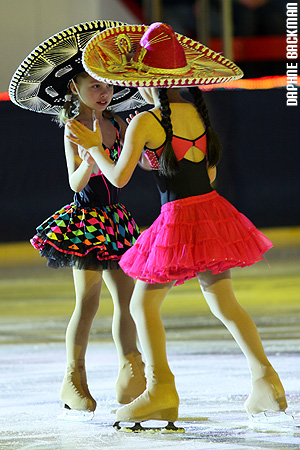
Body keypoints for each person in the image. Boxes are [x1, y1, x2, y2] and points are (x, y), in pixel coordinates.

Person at [67, 22, 287, 425]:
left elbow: (117, 178)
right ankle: (267, 381)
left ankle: (161, 390)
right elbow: (209, 174)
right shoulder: (195, 113)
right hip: (213, 212)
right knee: (225, 304)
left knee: (141, 303)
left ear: (141, 79)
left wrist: (94, 149)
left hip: (180, 219)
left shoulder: (145, 122)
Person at [8, 21, 147, 416]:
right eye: (94, 86)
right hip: (84, 222)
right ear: (75, 88)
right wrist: (89, 158)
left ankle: (131, 371)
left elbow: (124, 169)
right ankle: (74, 379)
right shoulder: (73, 128)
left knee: (128, 298)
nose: (103, 94)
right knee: (87, 302)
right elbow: (74, 182)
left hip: (117, 221)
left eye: (108, 85)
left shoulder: (118, 124)